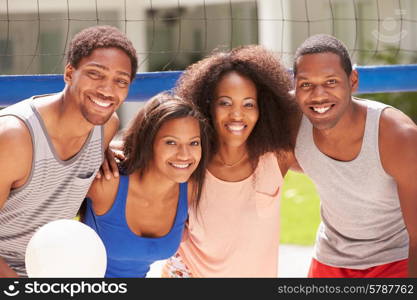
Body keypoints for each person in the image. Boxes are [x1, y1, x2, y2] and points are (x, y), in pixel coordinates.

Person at [0, 25, 138, 277]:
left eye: (121, 81)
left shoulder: (106, 126)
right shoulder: (12, 137)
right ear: (69, 73)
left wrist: (104, 151)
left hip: (52, 268)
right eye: (95, 74)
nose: (107, 90)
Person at [162, 45, 299, 277]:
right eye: (225, 103)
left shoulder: (278, 158)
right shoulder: (190, 161)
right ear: (208, 106)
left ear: (262, 109)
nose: (237, 114)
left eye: (248, 104)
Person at [292, 34, 417, 278]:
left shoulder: (399, 137)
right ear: (294, 86)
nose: (318, 95)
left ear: (353, 80)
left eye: (330, 82)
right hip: (330, 259)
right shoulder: (290, 124)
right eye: (306, 84)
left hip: (394, 260)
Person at [82, 92, 210, 278]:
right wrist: (99, 148)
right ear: (147, 142)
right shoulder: (109, 182)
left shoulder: (190, 189)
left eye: (194, 143)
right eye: (171, 142)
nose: (185, 154)